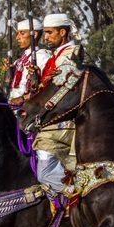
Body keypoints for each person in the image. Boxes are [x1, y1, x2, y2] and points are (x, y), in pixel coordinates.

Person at [32, 13, 79, 196]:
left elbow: (65, 87)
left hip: (62, 120)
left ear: (62, 32)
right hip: (49, 116)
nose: (45, 37)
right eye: (45, 33)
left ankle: (76, 197)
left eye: (50, 33)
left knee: (45, 173)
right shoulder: (56, 56)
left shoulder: (73, 53)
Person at [6, 18, 51, 105]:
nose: (17, 37)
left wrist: (23, 98)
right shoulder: (17, 61)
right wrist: (9, 72)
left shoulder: (43, 58)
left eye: (22, 33)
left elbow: (46, 88)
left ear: (34, 34)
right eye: (17, 34)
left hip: (29, 110)